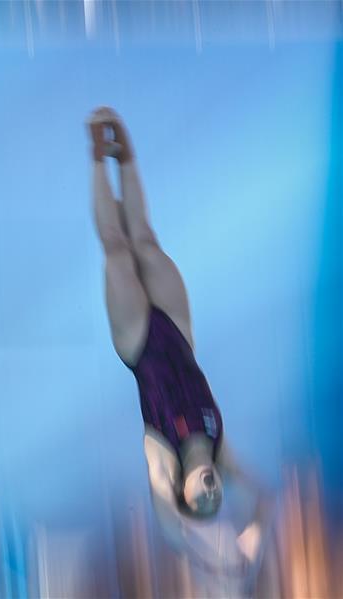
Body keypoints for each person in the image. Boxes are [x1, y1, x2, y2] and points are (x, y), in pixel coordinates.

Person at [87, 106, 268, 569]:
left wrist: (209, 559)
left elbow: (169, 523)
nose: (211, 492)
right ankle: (124, 155)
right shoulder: (221, 445)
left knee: (116, 246)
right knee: (145, 238)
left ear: (185, 491)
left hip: (138, 342)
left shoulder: (161, 454)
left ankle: (95, 156)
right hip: (178, 328)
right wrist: (249, 537)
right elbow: (260, 498)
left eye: (200, 500)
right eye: (217, 497)